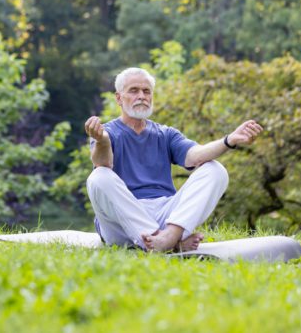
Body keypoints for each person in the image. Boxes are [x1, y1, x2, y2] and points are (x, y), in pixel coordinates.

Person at [85, 67, 263, 252]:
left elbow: (196, 155)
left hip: (165, 214)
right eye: (134, 90)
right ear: (119, 98)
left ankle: (169, 237)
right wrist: (103, 141)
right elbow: (102, 164)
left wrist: (229, 140)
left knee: (215, 170)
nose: (142, 96)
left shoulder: (166, 134)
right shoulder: (106, 132)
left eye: (146, 91)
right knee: (98, 177)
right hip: (122, 221)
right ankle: (167, 243)